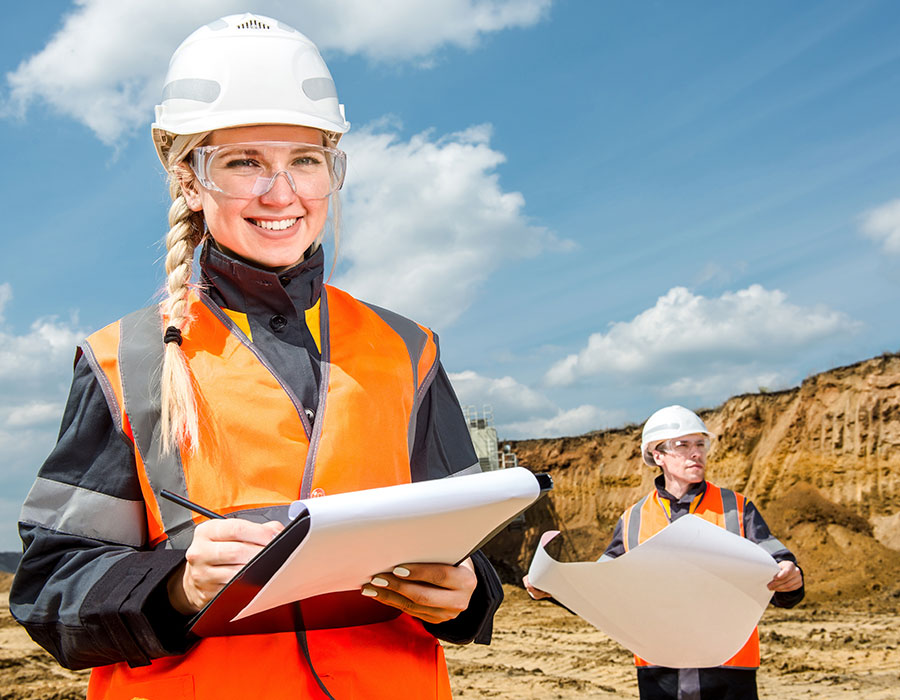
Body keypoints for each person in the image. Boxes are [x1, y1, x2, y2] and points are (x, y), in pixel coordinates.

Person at [10, 13, 502, 700]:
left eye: (304, 160)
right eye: (243, 162)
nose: (281, 193)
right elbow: (48, 589)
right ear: (188, 178)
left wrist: (468, 592)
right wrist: (178, 587)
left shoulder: (407, 350)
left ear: (332, 170)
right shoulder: (124, 361)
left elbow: (467, 540)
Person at [524, 405, 803, 700]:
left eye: (700, 444)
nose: (695, 453)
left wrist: (791, 578)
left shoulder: (736, 508)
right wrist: (553, 590)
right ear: (657, 455)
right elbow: (601, 593)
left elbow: (782, 573)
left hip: (729, 669)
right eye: (682, 445)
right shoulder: (634, 519)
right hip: (659, 670)